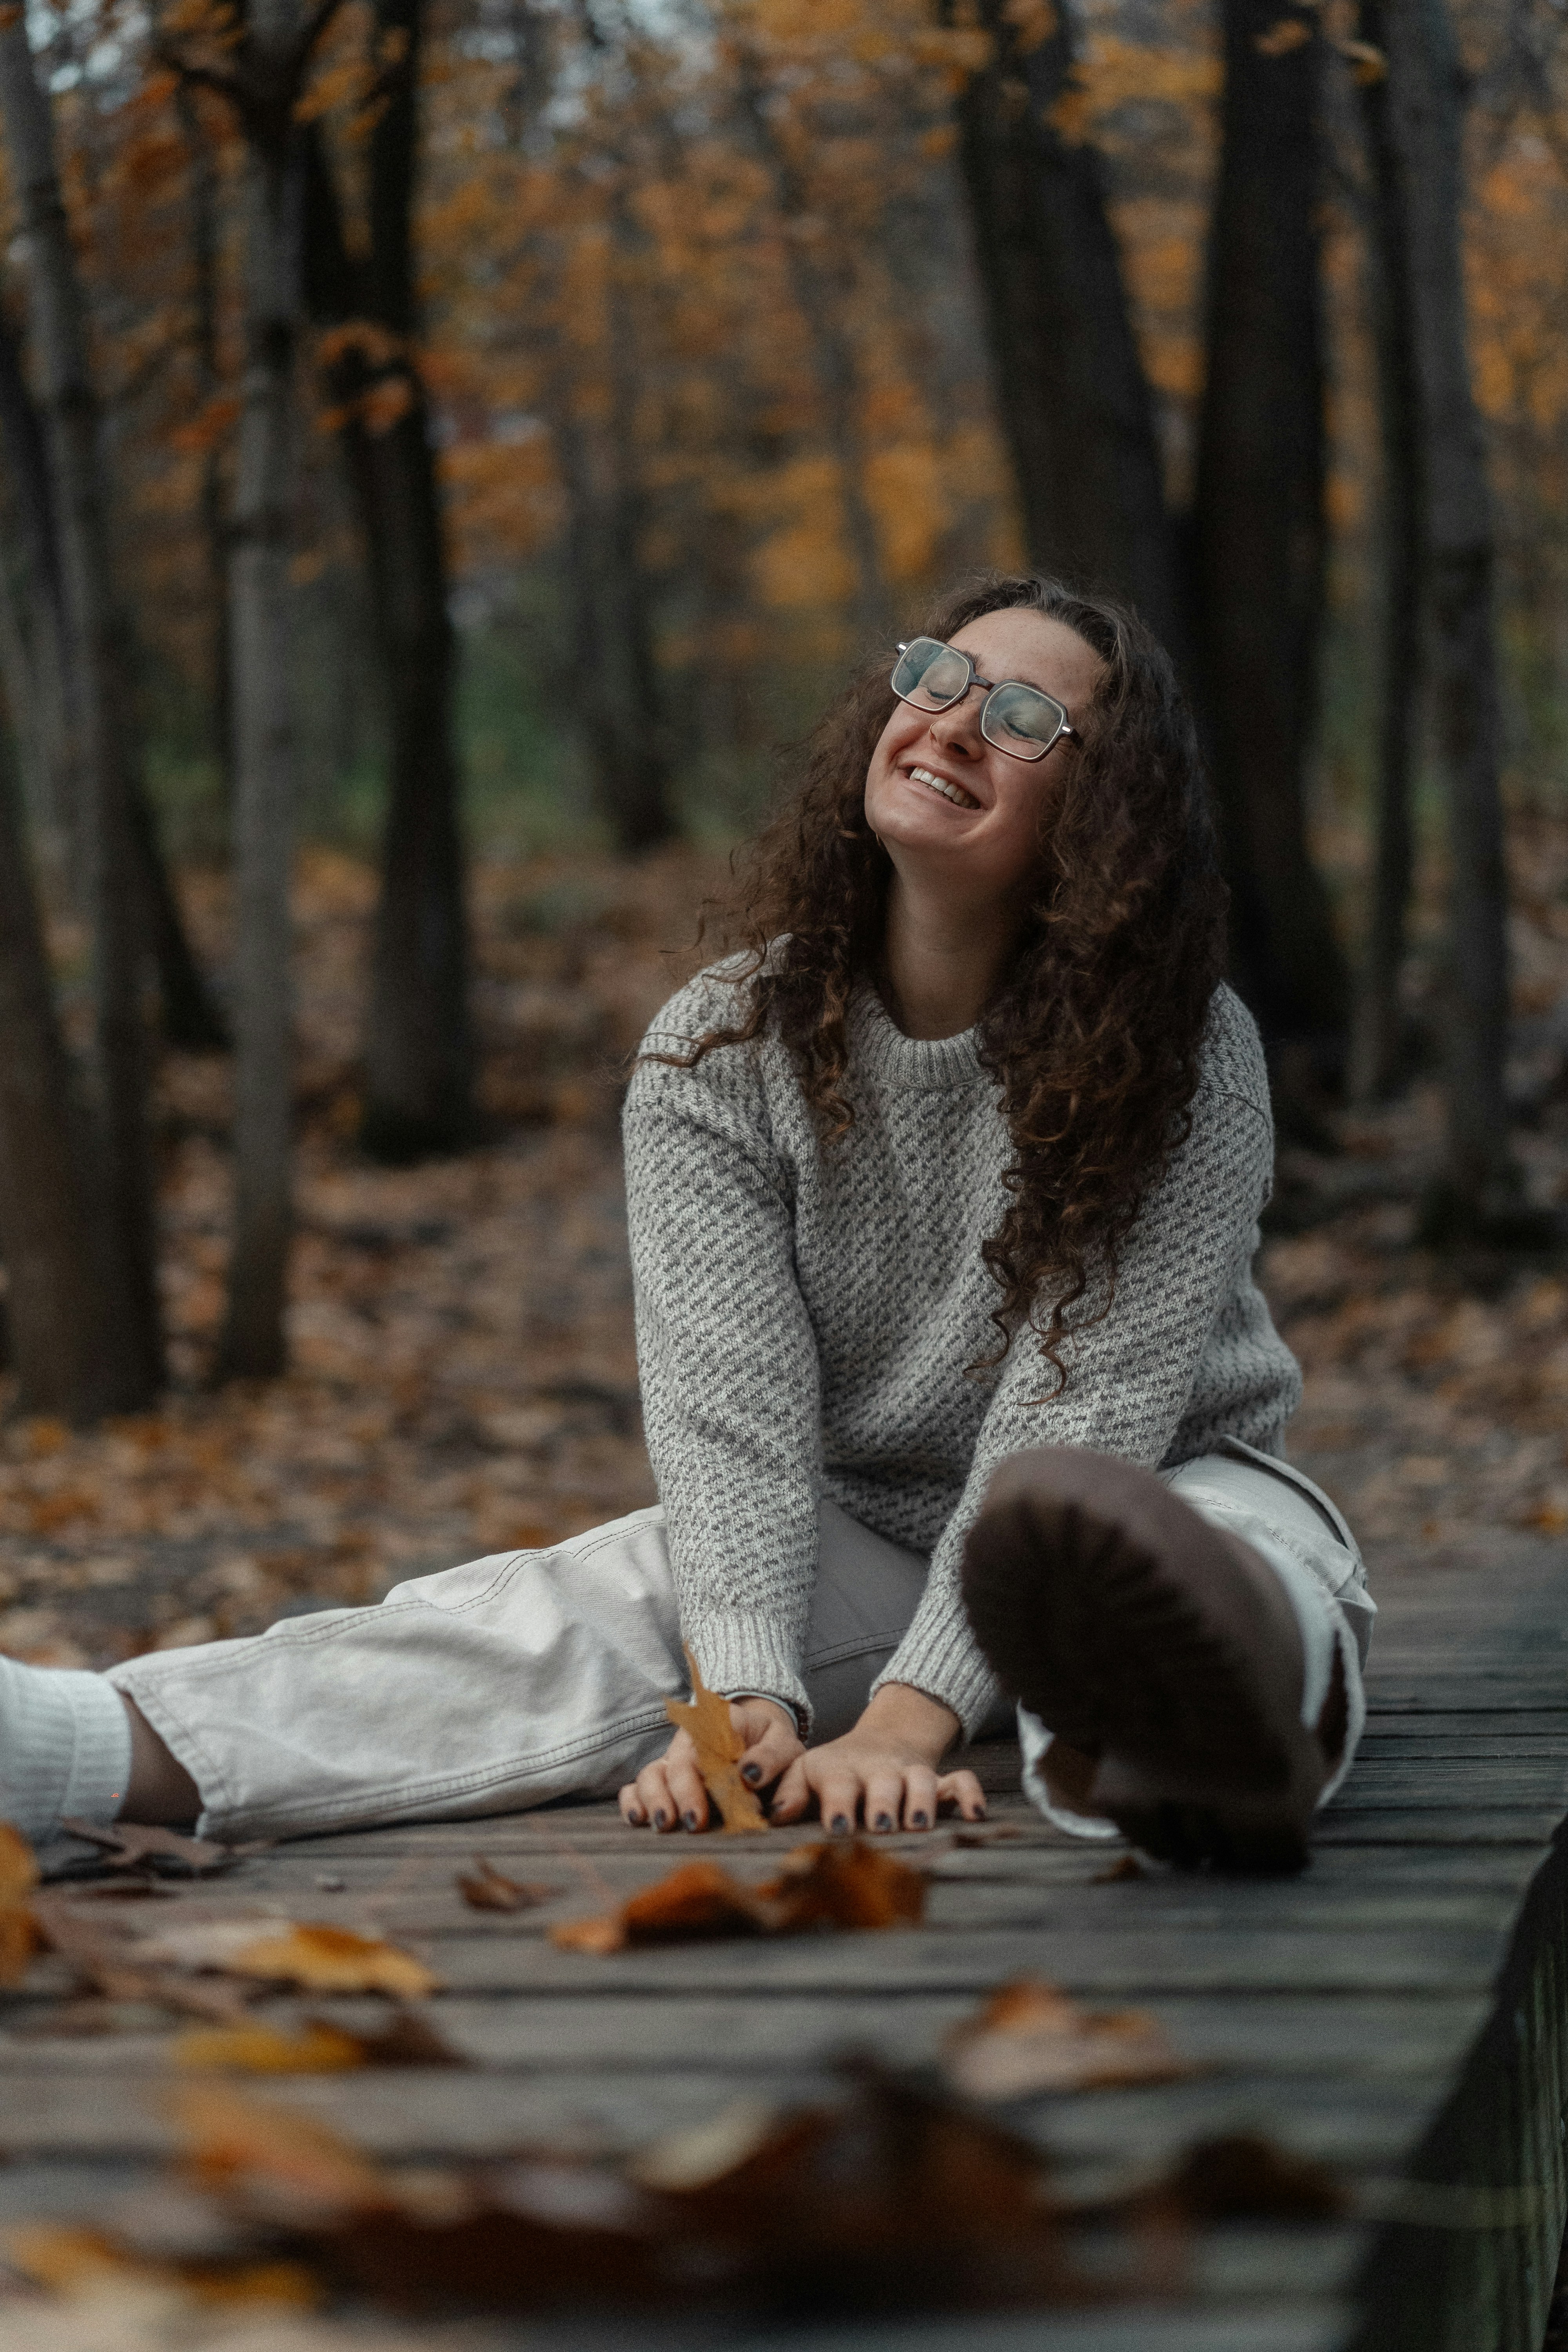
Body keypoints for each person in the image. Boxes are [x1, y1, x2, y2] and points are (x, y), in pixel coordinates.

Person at [0, 573, 1371, 1873]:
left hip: (1162, 1486)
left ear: (1099, 815)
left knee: (1193, 1581)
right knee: (586, 1609)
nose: (955, 720)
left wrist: (905, 1725)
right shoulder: (722, 1045)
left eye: (1023, 719)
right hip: (873, 1532)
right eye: (940, 677)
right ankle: (69, 1755)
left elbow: (1088, 1408)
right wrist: (747, 1705)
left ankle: (1224, 1740)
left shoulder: (1180, 1049)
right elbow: (731, 1412)